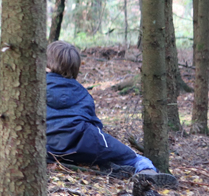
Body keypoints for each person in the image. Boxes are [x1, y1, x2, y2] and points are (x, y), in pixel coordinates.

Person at [46, 41, 177, 187]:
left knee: (94, 150)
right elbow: (94, 124)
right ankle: (146, 172)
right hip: (83, 141)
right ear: (75, 68)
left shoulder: (34, 88)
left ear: (46, 63)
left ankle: (107, 166)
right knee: (134, 158)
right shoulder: (82, 93)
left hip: (47, 147)